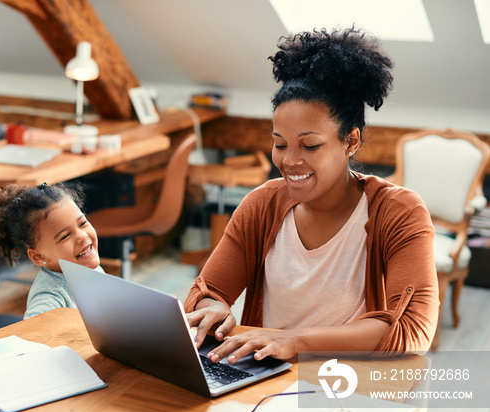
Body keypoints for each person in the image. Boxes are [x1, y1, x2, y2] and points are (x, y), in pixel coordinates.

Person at [185, 27, 438, 363]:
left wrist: (297, 342)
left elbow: (411, 330)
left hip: (349, 387)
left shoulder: (398, 212)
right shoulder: (261, 206)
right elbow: (205, 292)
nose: (289, 161)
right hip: (267, 381)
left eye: (310, 145)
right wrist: (213, 308)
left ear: (351, 141)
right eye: (280, 144)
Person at [0, 182, 102, 319]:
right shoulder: (50, 297)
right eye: (65, 236)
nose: (82, 236)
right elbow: (33, 333)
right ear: (38, 256)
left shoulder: (87, 267)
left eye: (82, 223)